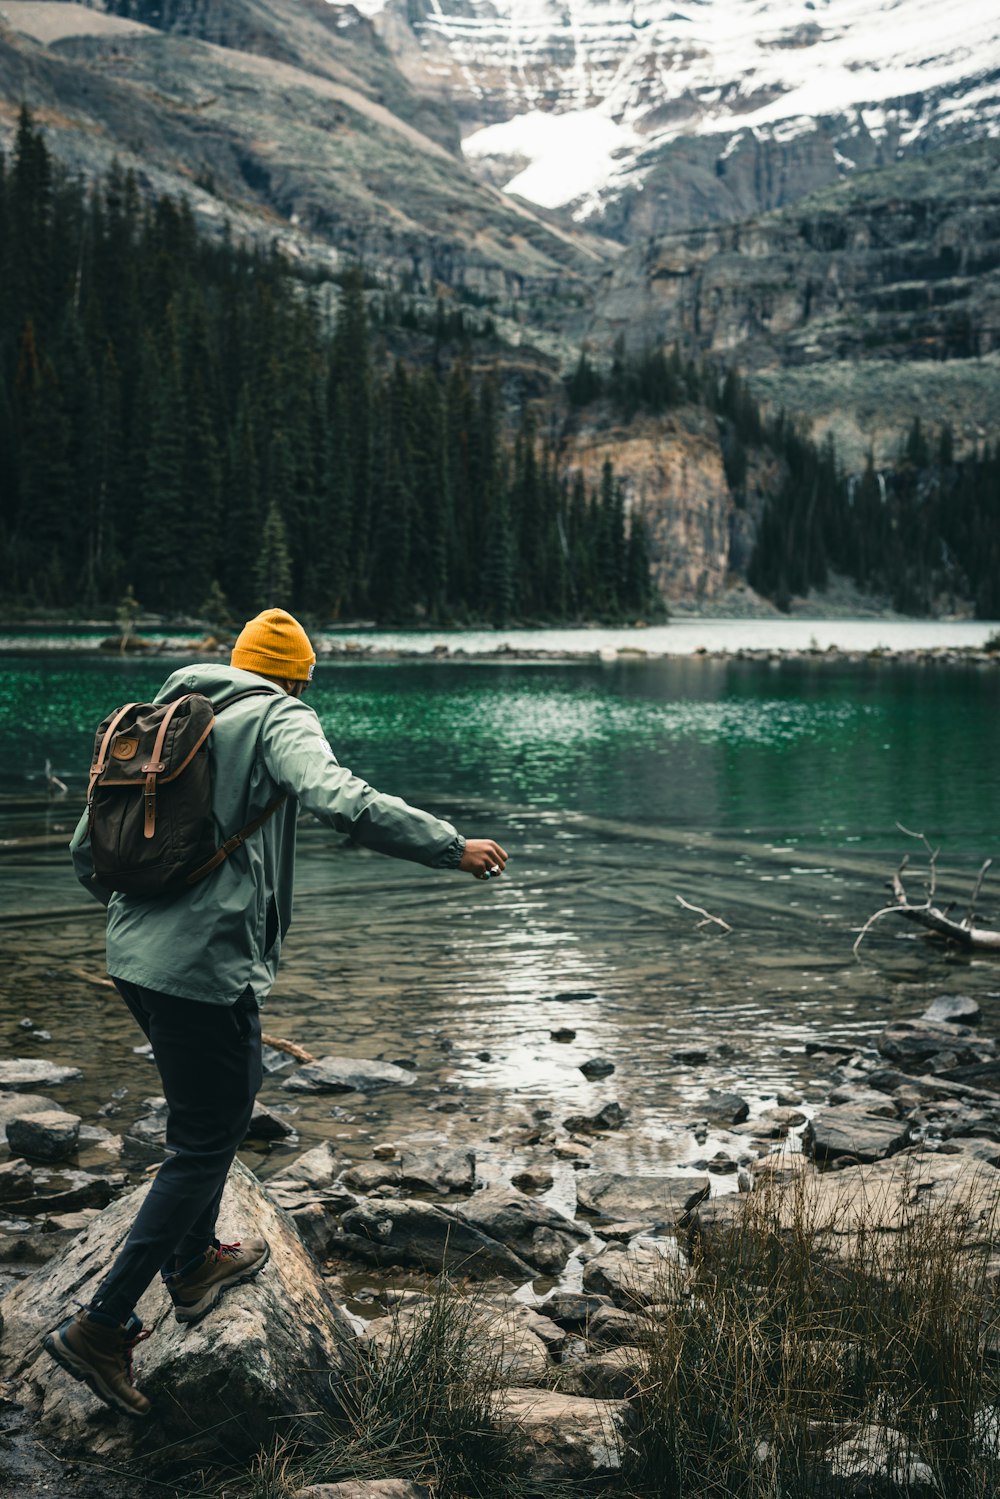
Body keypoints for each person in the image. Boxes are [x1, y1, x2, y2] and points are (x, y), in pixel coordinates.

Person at [45, 607, 507, 1418]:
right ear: (296, 675)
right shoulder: (279, 714)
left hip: (136, 958)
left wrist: (144, 920)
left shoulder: (164, 716)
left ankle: (192, 1266)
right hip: (202, 966)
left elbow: (89, 849)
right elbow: (341, 798)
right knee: (203, 1139)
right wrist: (448, 845)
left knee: (222, 1101)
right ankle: (102, 1323)